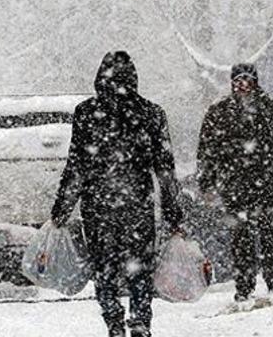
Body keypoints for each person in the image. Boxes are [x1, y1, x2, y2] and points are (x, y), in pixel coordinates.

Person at [51, 51, 184, 337]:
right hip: (137, 204)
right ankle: (139, 318)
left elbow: (76, 166)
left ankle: (113, 320)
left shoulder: (87, 113)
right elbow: (165, 169)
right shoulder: (151, 113)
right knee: (140, 268)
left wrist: (62, 208)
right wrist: (173, 212)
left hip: (99, 206)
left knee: (105, 268)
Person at [197, 63, 273, 302]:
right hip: (235, 185)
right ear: (232, 83)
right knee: (241, 237)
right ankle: (244, 285)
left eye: (247, 79)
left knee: (272, 233)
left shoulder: (272, 108)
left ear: (255, 82)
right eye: (238, 80)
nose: (243, 85)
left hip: (268, 182)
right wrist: (206, 182)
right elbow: (207, 150)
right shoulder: (219, 112)